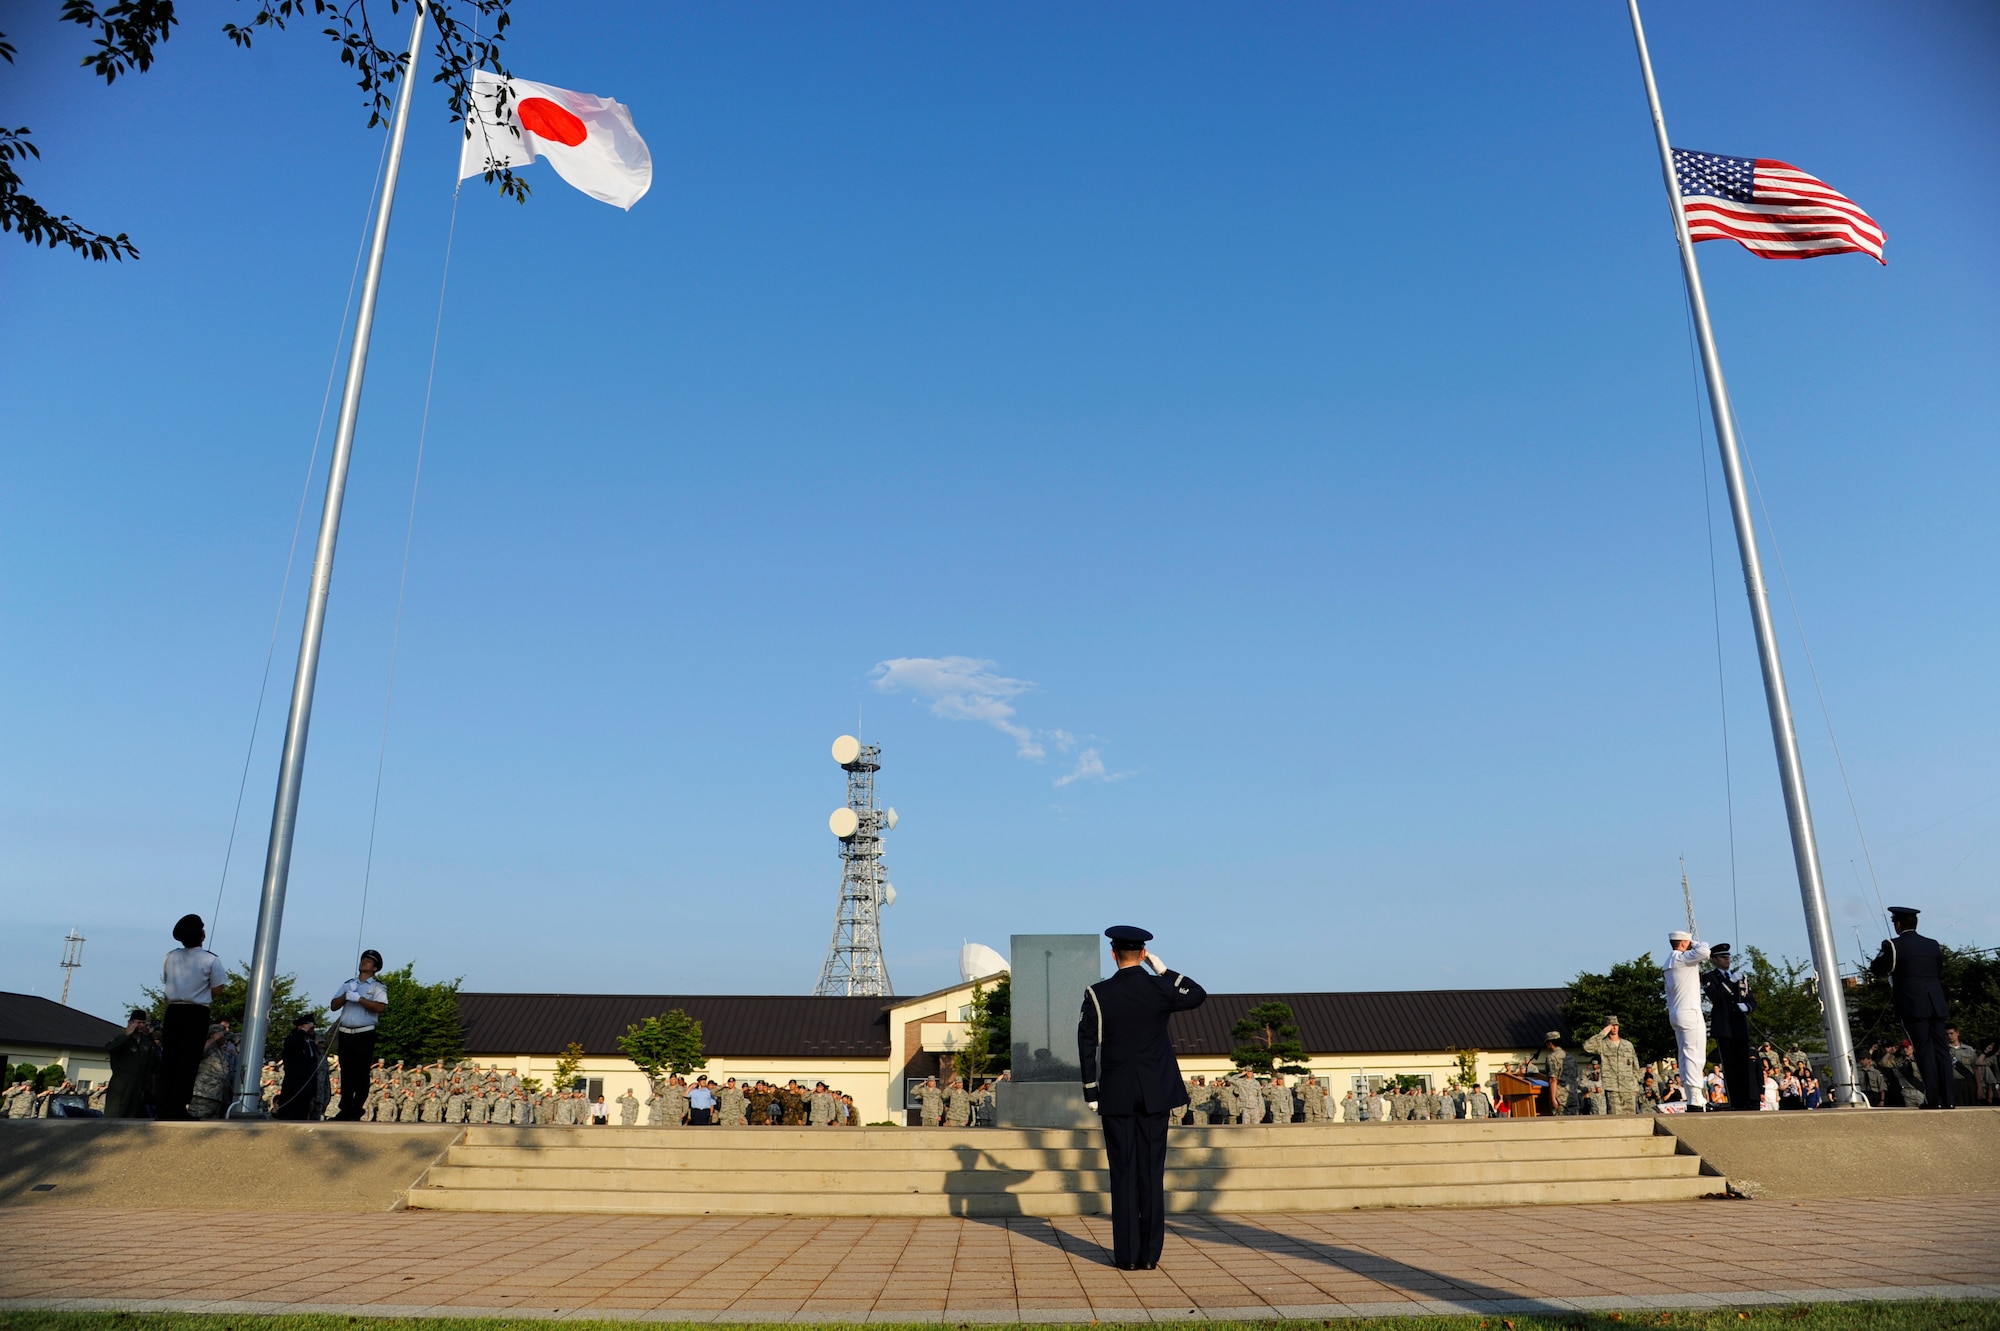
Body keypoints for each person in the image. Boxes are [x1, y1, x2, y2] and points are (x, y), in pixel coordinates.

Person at [1077, 924, 1207, 1272]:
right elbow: (1196, 994)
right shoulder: (1160, 988)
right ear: (1143, 954)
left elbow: (1087, 1043)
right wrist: (1164, 972)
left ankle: (1127, 1256)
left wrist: (1091, 1090)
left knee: (1123, 1174)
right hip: (1155, 1093)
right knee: (1151, 1173)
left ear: (1112, 953)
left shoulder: (1097, 993)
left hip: (1117, 1094)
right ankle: (1150, 1256)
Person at [1870, 907, 1954, 1109]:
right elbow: (1938, 970)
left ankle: (1934, 1099)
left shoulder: (1893, 944)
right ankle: (1949, 1099)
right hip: (1935, 1001)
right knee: (1941, 1050)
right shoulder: (1932, 945)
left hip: (1912, 1004)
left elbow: (1878, 968)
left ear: (1897, 924)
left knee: (1924, 1050)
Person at [159, 914, 227, 1120]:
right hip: (196, 1012)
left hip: (173, 1010)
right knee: (188, 1060)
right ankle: (178, 1107)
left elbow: (166, 979)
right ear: (202, 935)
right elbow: (218, 990)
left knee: (170, 1059)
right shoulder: (211, 959)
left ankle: (163, 1106)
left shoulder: (171, 956)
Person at [329, 949, 389, 1121]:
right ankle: (345, 1108)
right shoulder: (349, 984)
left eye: (368, 961)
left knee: (361, 1073)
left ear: (375, 968)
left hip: (364, 1033)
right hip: (346, 1032)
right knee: (346, 1072)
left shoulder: (377, 987)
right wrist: (347, 996)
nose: (364, 962)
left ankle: (357, 1108)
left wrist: (360, 999)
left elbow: (380, 1007)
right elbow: (333, 1005)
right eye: (363, 959)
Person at [1700, 944, 1755, 1111]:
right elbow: (1716, 996)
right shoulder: (1710, 977)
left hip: (1739, 1027)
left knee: (1744, 1065)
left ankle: (1748, 1100)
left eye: (1728, 957)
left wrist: (1747, 1007)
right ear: (1715, 960)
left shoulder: (1739, 977)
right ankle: (1736, 1101)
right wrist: (1730, 981)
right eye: (1723, 958)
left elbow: (1750, 999)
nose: (1727, 960)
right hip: (1724, 1028)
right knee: (1730, 1066)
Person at [1663, 931, 1713, 1111]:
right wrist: (1697, 942)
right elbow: (1705, 952)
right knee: (1695, 1056)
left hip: (1676, 1012)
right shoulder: (1682, 959)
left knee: (1685, 1056)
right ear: (1684, 944)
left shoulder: (1668, 963)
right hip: (1689, 1012)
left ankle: (1694, 1097)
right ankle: (1695, 1099)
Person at [103, 1010, 161, 1119]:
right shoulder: (122, 1040)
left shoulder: (147, 1043)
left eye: (143, 1023)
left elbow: (151, 1068)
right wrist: (126, 1034)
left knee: (132, 1121)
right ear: (131, 1022)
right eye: (138, 1022)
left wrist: (149, 1088)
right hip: (121, 1087)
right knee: (113, 1118)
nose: (141, 1026)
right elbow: (110, 1048)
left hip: (139, 1088)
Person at [1583, 1018, 1641, 1115]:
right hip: (1612, 1088)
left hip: (1628, 1088)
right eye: (1611, 1025)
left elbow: (1635, 1067)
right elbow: (1586, 1046)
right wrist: (1602, 1033)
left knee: (1631, 1118)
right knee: (1616, 1117)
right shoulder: (1602, 1044)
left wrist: (1635, 1083)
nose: (1614, 1028)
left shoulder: (1627, 1045)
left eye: (1616, 1025)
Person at [275, 1014, 322, 1120]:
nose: (311, 1029)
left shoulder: (310, 1044)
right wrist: (302, 1031)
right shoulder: (293, 1039)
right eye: (309, 1026)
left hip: (307, 1087)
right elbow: (291, 1046)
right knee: (289, 1113)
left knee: (303, 1115)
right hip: (294, 1084)